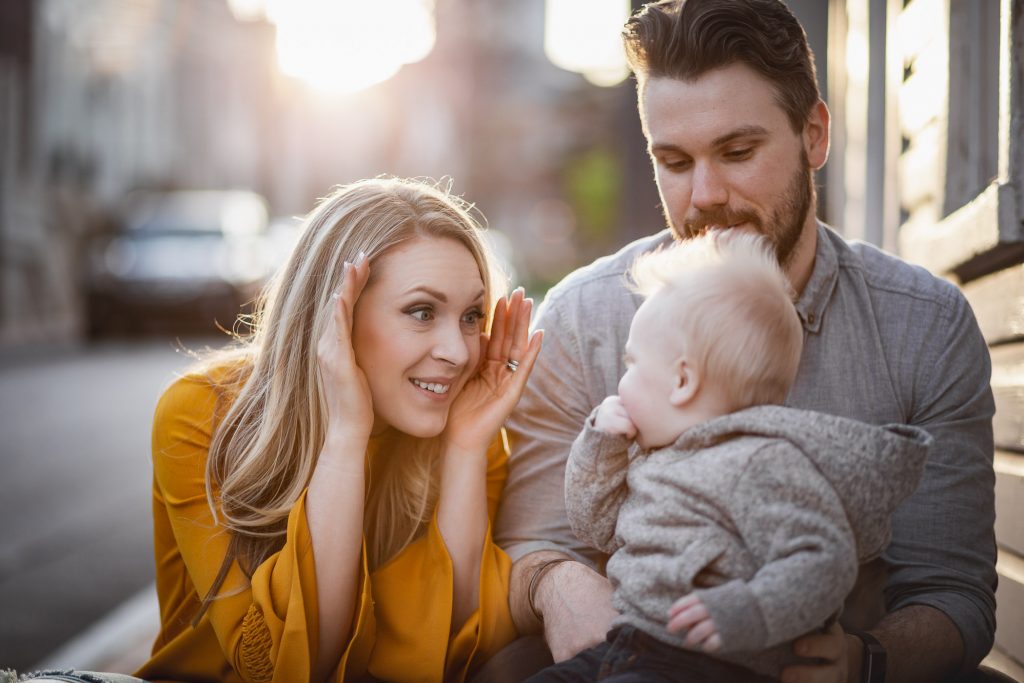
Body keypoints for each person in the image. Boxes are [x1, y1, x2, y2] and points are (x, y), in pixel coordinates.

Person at [495, 1, 998, 682]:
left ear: (814, 135)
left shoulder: (924, 326)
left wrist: (863, 660)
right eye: (674, 161)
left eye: (737, 152)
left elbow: (953, 594)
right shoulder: (584, 316)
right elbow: (531, 542)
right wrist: (561, 588)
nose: (705, 195)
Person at [9, 178, 543, 683]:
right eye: (422, 312)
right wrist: (344, 437)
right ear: (336, 318)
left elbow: (459, 646)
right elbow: (276, 666)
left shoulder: (464, 428)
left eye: (472, 316)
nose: (457, 351)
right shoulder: (204, 413)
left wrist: (468, 446)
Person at [524, 232, 930, 682]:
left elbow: (822, 558)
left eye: (633, 364)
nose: (622, 381)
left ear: (682, 381)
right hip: (626, 642)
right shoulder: (651, 455)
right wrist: (601, 446)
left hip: (706, 664)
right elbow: (594, 525)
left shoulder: (762, 464)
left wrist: (746, 611)